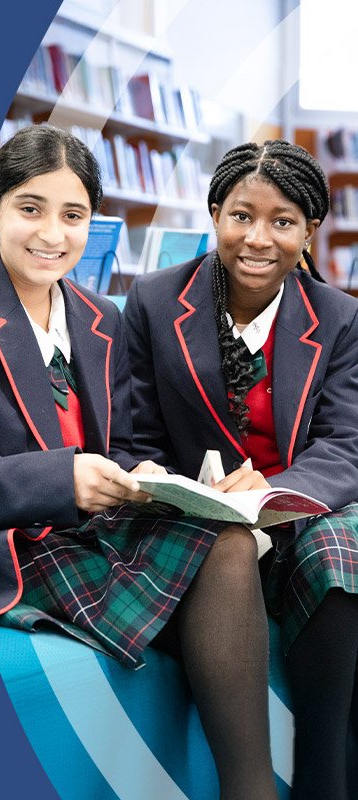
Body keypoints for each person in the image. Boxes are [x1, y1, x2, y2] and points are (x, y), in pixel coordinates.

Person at [0, 124, 280, 800]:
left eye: (73, 215)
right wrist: (63, 477)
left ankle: (248, 790)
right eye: (30, 208)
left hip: (91, 526)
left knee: (228, 539)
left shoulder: (95, 316)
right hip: (8, 544)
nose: (53, 234)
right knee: (221, 571)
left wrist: (162, 479)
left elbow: (124, 442)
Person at [123, 139, 358, 800]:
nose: (258, 238)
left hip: (295, 514)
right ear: (214, 215)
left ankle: (322, 777)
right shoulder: (154, 301)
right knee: (227, 550)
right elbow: (133, 431)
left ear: (309, 231)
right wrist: (163, 482)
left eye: (282, 221)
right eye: (240, 216)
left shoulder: (340, 319)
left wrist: (280, 487)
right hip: (192, 517)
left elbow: (347, 444)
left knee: (343, 551)